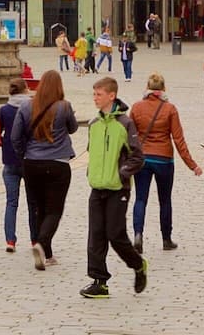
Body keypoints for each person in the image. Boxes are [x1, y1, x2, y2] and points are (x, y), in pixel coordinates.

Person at [80, 76, 149, 299]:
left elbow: (138, 156)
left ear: (112, 95)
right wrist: (92, 171)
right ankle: (99, 281)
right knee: (96, 235)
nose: (95, 98)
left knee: (115, 234)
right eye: (94, 94)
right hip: (97, 187)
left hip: (118, 188)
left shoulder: (125, 124)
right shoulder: (94, 124)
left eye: (99, 94)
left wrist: (122, 173)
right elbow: (91, 151)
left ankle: (138, 265)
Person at [11, 70, 77, 271]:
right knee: (55, 209)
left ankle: (46, 254)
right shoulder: (64, 107)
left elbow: (15, 137)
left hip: (32, 163)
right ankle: (42, 242)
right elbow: (73, 128)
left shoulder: (25, 106)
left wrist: (25, 153)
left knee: (39, 207)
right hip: (58, 163)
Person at [128, 73, 200, 253]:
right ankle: (166, 239)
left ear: (147, 87)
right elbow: (178, 140)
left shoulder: (136, 107)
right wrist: (192, 165)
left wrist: (130, 158)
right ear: (163, 89)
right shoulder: (170, 109)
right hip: (164, 160)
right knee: (165, 200)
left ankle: (138, 234)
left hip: (143, 159)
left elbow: (130, 136)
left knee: (141, 198)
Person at [0, 78, 32, 254]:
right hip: (30, 159)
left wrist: (5, 144)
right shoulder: (33, 108)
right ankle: (35, 240)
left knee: (11, 203)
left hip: (10, 160)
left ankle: (10, 240)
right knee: (33, 202)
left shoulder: (4, 110)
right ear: (26, 89)